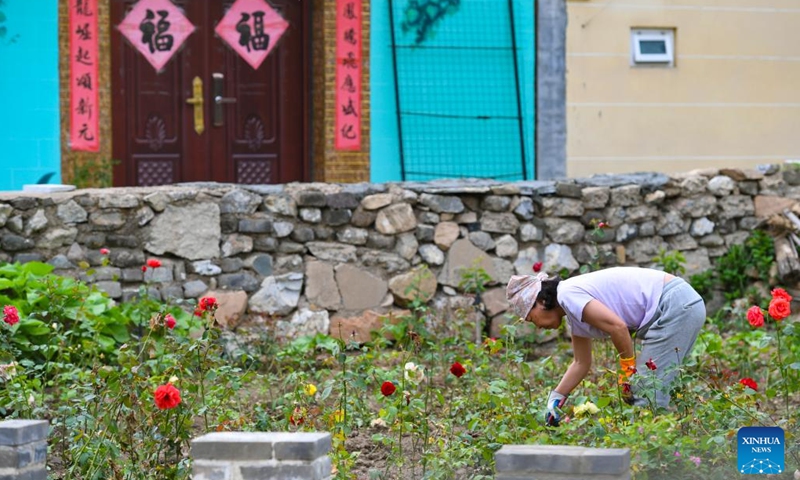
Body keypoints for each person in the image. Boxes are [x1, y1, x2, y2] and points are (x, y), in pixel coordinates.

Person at [506, 266, 705, 426]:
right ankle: (661, 445)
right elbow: (580, 362)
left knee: (646, 393)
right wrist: (556, 398)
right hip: (680, 304)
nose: (538, 327)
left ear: (541, 301)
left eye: (532, 319)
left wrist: (627, 373)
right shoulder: (572, 310)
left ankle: (649, 461)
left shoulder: (567, 294)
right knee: (654, 388)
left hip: (674, 305)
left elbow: (618, 327)